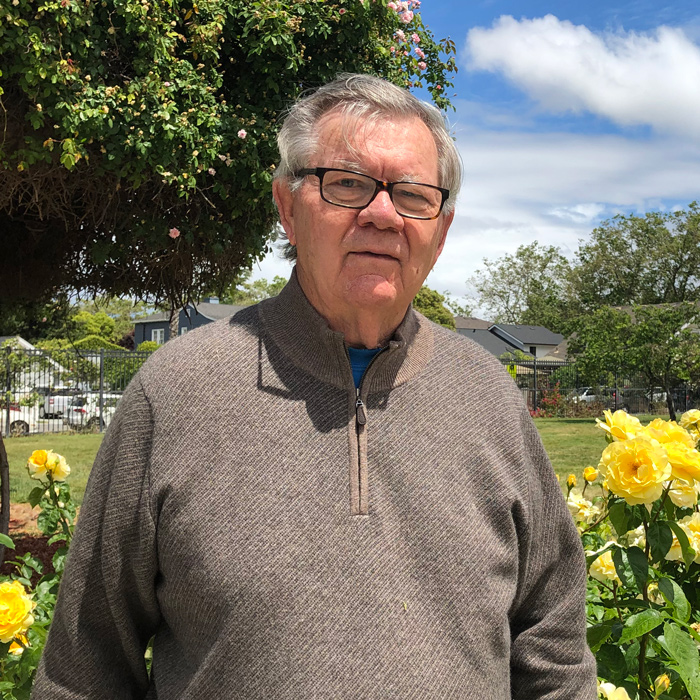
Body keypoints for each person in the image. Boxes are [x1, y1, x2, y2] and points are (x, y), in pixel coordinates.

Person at [33, 74, 596, 699]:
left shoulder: (488, 397)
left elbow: (555, 649)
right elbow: (84, 673)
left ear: (441, 231)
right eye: (348, 184)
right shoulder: (174, 395)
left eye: (413, 195)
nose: (382, 215)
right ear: (287, 207)